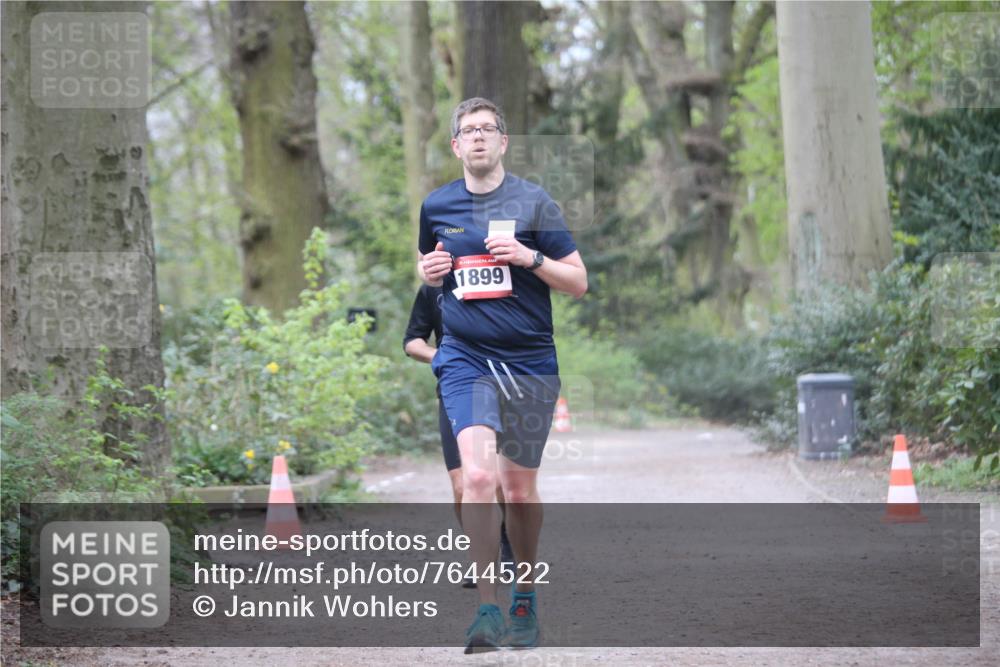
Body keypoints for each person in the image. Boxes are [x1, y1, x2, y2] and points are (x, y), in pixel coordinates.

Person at [417, 97, 587, 652]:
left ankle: (525, 595)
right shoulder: (436, 205)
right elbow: (435, 280)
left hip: (530, 362)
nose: (479, 137)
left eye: (489, 128)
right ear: (456, 145)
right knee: (480, 479)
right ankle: (487, 608)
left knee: (517, 489)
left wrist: (527, 258)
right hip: (466, 359)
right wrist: (429, 272)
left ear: (504, 142)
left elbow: (578, 281)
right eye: (469, 131)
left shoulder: (536, 203)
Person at [401, 284, 514, 589]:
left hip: (506, 391)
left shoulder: (504, 277)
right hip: (457, 391)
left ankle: (509, 546)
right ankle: (482, 556)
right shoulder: (433, 289)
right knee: (462, 484)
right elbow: (412, 341)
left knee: (503, 483)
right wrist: (440, 356)